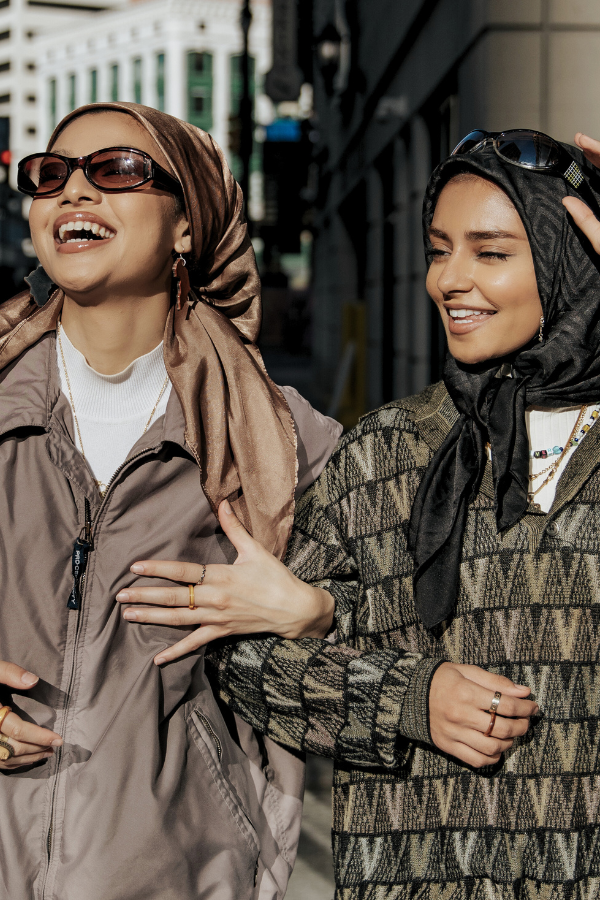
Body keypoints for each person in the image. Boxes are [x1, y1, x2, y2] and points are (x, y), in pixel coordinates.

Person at [125, 130, 600, 898]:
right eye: (440, 249)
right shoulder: (388, 451)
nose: (450, 279)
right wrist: (408, 697)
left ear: (568, 260)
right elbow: (242, 664)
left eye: (490, 252)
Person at [0, 101, 341, 900]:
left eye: (114, 170)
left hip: (178, 875)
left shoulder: (288, 441)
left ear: (189, 224)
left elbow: (370, 693)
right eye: (51, 176)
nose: (72, 194)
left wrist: (314, 611)